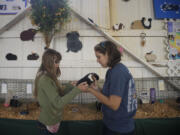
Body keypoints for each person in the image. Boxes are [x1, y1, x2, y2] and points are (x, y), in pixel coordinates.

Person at [87, 41, 137, 135]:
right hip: (112, 123)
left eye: (99, 57)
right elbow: (110, 96)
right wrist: (97, 88)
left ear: (108, 55)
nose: (97, 60)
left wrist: (91, 90)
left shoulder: (118, 72)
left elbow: (113, 104)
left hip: (119, 128)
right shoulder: (112, 70)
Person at [34, 48, 88, 135]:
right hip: (47, 124)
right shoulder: (45, 79)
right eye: (56, 62)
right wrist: (77, 90)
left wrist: (70, 86)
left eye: (58, 62)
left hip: (52, 121)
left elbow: (59, 94)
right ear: (48, 62)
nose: (58, 65)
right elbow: (58, 103)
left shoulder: (50, 76)